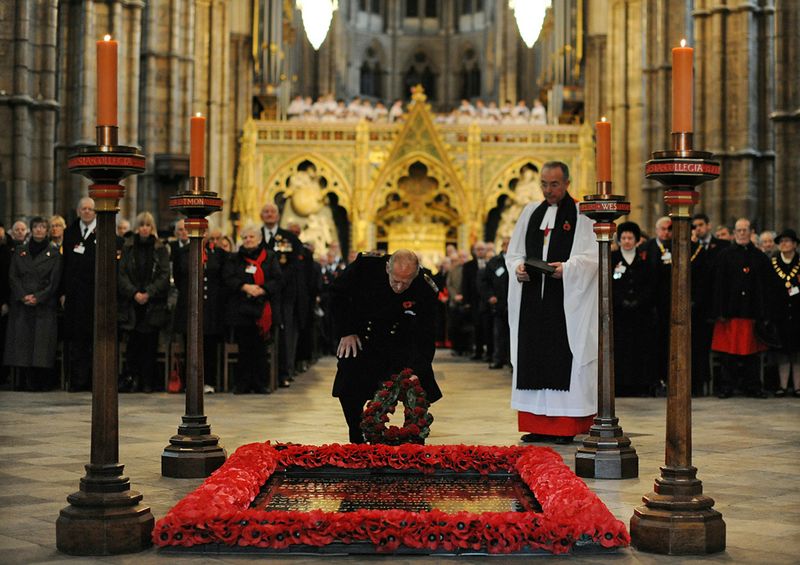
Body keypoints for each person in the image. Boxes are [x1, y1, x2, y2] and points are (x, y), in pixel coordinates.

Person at [506, 161, 598, 445]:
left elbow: (592, 257)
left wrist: (567, 269)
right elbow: (513, 253)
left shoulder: (582, 215)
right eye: (544, 184)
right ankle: (538, 424)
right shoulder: (530, 213)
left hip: (565, 300)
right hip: (533, 300)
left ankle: (564, 426)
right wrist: (518, 268)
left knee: (563, 353)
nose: (549, 190)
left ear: (567, 183)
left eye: (554, 184)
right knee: (533, 353)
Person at [331, 249, 442, 444]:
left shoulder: (424, 287)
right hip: (362, 336)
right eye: (395, 280)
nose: (399, 287)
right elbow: (336, 296)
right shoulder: (365, 267)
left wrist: (418, 367)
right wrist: (346, 331)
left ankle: (415, 438)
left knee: (419, 384)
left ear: (415, 275)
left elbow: (426, 333)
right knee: (348, 384)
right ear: (387, 268)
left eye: (405, 283)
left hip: (401, 343)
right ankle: (357, 434)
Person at [711, 218, 771, 398]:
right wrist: (719, 311)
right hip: (730, 313)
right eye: (739, 230)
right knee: (728, 354)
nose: (742, 233)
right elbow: (718, 285)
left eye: (745, 230)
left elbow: (765, 286)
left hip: (752, 312)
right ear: (734, 233)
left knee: (752, 354)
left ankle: (753, 387)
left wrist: (764, 312)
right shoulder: (724, 255)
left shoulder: (760, 257)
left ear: (751, 232)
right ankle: (726, 387)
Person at [4, 217, 62, 391]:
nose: (39, 230)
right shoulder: (20, 251)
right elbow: (13, 276)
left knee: (41, 345)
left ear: (47, 230)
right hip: (22, 304)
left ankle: (40, 382)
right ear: (31, 230)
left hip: (43, 304)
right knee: (22, 343)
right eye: (36, 227)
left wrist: (38, 297)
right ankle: (21, 380)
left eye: (42, 227)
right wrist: (23, 296)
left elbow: (54, 281)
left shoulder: (54, 253)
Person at [223, 224, 282, 394]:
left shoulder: (269, 257)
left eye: (252, 237)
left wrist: (262, 289)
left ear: (259, 239)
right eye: (245, 237)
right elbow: (228, 277)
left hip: (263, 309)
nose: (248, 240)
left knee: (260, 349)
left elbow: (278, 279)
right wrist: (245, 287)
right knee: (244, 348)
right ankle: (242, 383)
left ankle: (260, 383)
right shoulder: (235, 258)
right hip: (241, 309)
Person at [118, 212, 170, 392]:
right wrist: (134, 293)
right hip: (132, 303)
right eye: (141, 225)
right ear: (137, 227)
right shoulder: (128, 247)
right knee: (133, 344)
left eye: (148, 225)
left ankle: (148, 381)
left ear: (152, 227)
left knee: (149, 344)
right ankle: (133, 380)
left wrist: (148, 293)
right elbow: (121, 273)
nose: (145, 228)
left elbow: (164, 275)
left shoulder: (160, 248)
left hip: (153, 303)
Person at [260, 203, 308, 388]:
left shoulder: (289, 238)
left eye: (273, 211)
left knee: (286, 334)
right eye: (266, 212)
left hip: (285, 294)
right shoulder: (256, 237)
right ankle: (265, 373)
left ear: (278, 215)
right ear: (261, 215)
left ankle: (284, 373)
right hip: (264, 293)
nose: (270, 214)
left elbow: (295, 265)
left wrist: (278, 281)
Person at [610, 222, 653, 396]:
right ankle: (620, 385)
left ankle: (640, 385)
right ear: (619, 240)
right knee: (621, 349)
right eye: (624, 238)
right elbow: (610, 283)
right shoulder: (613, 258)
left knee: (639, 349)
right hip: (620, 313)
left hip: (640, 313)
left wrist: (638, 301)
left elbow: (650, 284)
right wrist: (622, 301)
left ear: (636, 240)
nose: (627, 241)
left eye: (630, 238)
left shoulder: (644, 258)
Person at [60, 197, 98, 392]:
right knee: (76, 340)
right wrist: (63, 292)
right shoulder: (70, 233)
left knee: (93, 339)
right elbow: (64, 265)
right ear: (78, 211)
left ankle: (93, 380)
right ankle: (76, 380)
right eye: (83, 209)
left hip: (94, 296)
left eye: (90, 209)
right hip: (75, 295)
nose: (86, 212)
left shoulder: (102, 232)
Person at [690, 213, 730, 395]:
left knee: (718, 348)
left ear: (708, 225)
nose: (698, 228)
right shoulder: (690, 247)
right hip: (695, 307)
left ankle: (720, 384)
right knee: (696, 347)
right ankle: (697, 384)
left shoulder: (723, 246)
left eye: (700, 225)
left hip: (714, 305)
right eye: (695, 226)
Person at [642, 216, 673, 395]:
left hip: (672, 305)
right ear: (656, 230)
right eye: (663, 229)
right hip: (652, 307)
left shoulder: (678, 247)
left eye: (669, 229)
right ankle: (655, 382)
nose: (666, 232)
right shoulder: (647, 248)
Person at [770, 229, 800, 396]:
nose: (784, 244)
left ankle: (797, 387)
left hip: (797, 314)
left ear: (795, 244)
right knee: (782, 352)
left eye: (787, 241)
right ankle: (782, 386)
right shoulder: (773, 262)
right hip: (779, 314)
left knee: (797, 352)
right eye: (781, 241)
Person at [485, 236, 511, 369]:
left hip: (513, 303)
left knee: (513, 334)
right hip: (499, 304)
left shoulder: (517, 261)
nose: (507, 246)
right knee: (499, 333)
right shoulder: (494, 262)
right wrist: (490, 296)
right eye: (505, 244)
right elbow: (485, 281)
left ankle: (512, 361)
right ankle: (498, 359)